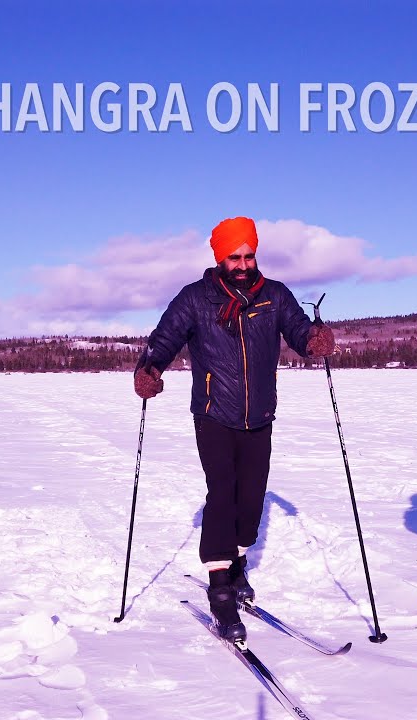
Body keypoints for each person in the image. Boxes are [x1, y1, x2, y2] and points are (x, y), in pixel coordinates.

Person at [134, 216, 336, 641]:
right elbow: (164, 339)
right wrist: (148, 368)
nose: (243, 264)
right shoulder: (195, 299)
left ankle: (239, 560)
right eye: (234, 257)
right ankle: (221, 592)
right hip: (213, 414)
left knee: (250, 506)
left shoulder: (275, 296)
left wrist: (315, 340)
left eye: (248, 255)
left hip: (260, 414)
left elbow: (299, 331)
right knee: (222, 496)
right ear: (219, 258)